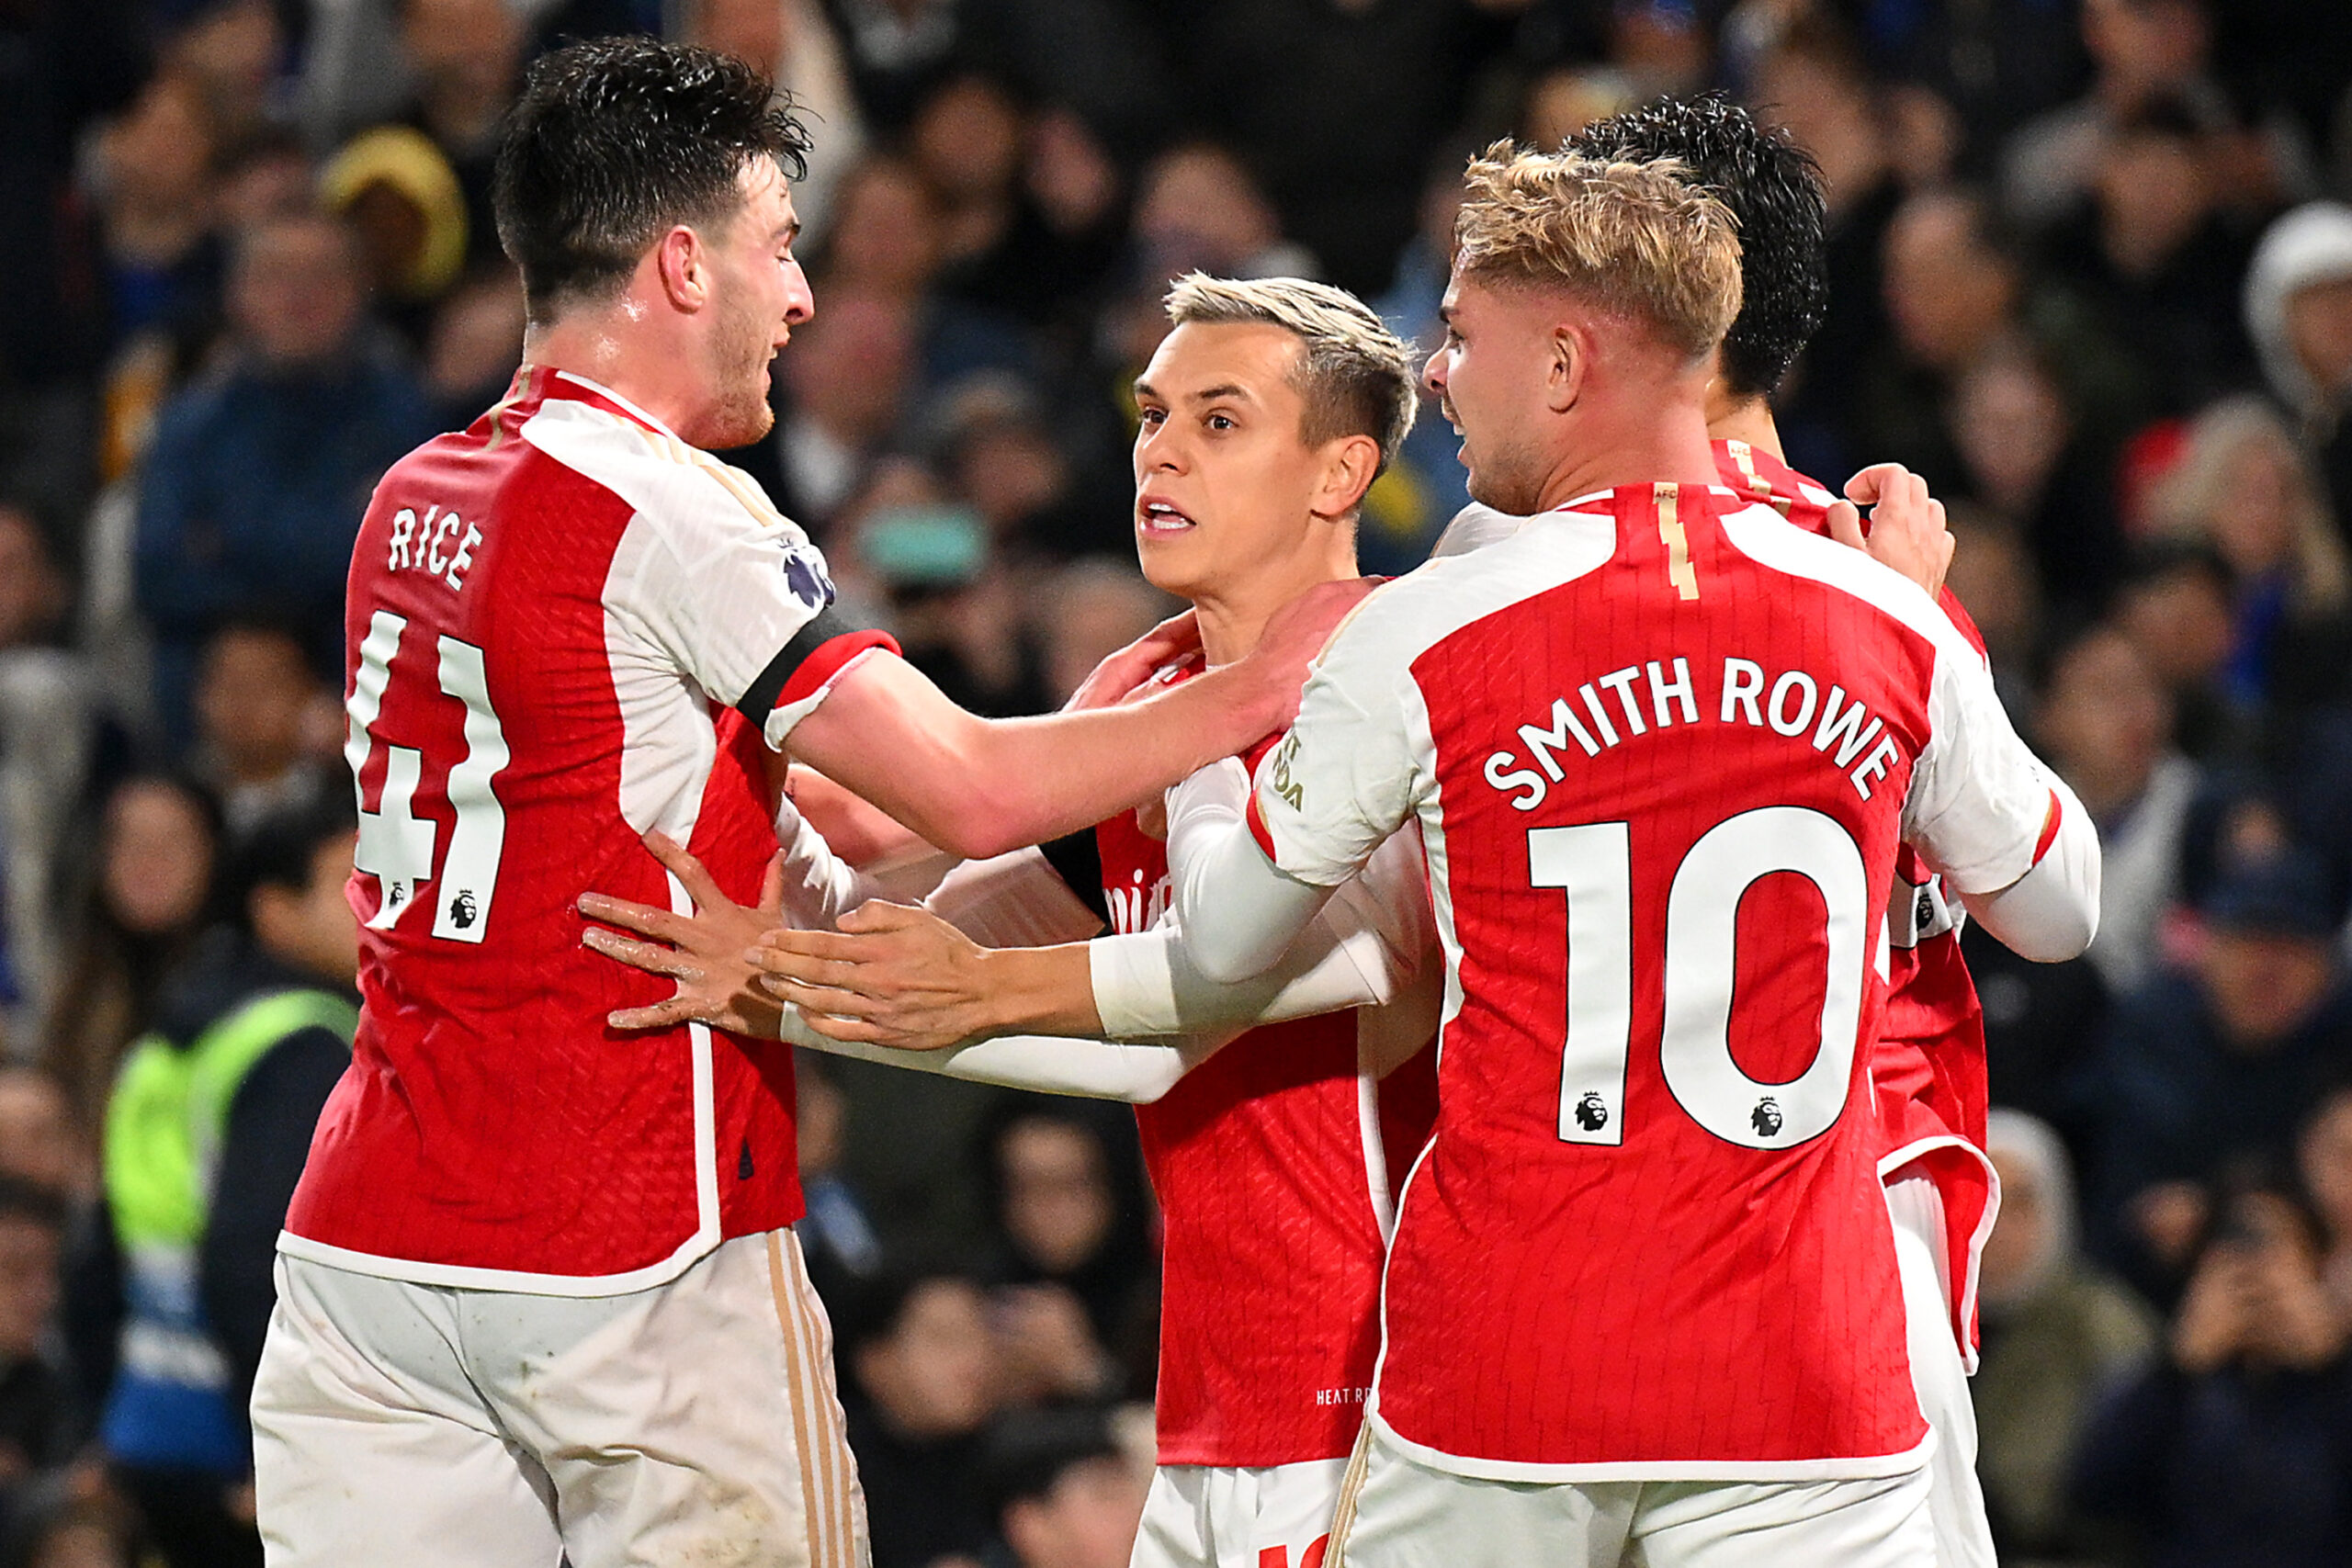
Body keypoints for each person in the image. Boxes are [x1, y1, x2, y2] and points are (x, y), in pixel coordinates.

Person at [252, 39, 1356, 1568]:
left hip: (367, 1258)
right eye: (781, 248)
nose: (803, 296)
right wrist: (1253, 690)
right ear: (683, 263)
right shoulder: (676, 512)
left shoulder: (414, 494)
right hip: (630, 1248)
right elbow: (965, 791)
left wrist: (883, 918)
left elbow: (780, 825)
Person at [1163, 144, 2098, 1564]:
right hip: (1821, 1339)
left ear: (1561, 364)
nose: (1432, 371)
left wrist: (1197, 741)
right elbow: (2063, 904)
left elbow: (1219, 949)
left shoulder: (1430, 622)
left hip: (1518, 1356)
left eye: (1463, 336)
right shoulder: (1886, 602)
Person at [582, 273, 1448, 1568]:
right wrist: (720, 806)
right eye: (1152, 414)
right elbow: (951, 935)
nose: (1159, 448)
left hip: (1384, 1397)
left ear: (1341, 473)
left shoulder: (1396, 671)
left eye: (1219, 422)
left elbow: (1260, 999)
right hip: (1213, 1404)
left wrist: (807, 988)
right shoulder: (1143, 686)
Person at [1436, 93, 2010, 1568]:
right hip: (1851, 1219)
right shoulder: (1877, 574)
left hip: (1592, 1248)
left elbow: (1369, 917)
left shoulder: (1501, 556)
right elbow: (2052, 899)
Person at [80, 795, 358, 1568]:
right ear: (274, 909)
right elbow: (248, 1260)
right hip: (238, 1445)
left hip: (150, 1430)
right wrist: (270, 1443)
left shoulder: (176, 1030)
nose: (378, 903)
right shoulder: (304, 1043)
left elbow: (99, 1252)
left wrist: (101, 1424)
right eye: (349, 879)